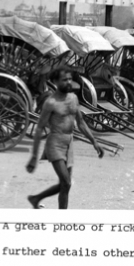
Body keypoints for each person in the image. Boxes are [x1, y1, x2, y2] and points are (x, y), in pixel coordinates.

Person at [26, 67, 104, 209]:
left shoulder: (73, 98)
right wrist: (33, 156)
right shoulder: (51, 103)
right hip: (54, 144)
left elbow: (81, 123)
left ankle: (60, 217)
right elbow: (38, 128)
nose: (68, 82)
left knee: (65, 187)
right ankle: (37, 198)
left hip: (69, 143)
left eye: (69, 79)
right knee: (67, 182)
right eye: (64, 80)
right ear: (55, 81)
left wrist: (94, 142)